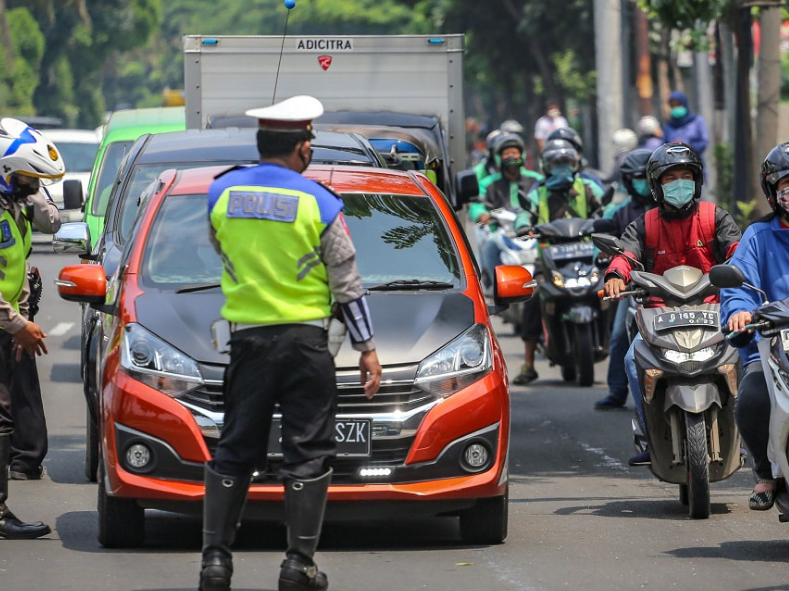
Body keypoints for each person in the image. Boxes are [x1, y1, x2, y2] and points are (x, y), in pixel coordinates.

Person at [201, 95, 383, 591]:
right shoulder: (320, 202)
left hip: (248, 344)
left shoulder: (221, 193)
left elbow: (220, 245)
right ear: (303, 147)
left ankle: (215, 561)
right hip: (306, 345)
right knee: (307, 453)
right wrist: (366, 347)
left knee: (235, 448)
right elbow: (347, 280)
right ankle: (297, 565)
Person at [603, 142, 741, 466]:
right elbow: (626, 254)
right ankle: (649, 435)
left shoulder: (714, 217)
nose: (679, 183)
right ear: (656, 185)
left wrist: (741, 270)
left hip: (712, 310)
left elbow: (737, 249)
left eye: (685, 175)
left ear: (697, 180)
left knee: (744, 356)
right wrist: (615, 275)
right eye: (670, 178)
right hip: (658, 312)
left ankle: (742, 435)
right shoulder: (645, 223)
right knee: (630, 361)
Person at [0, 117, 63, 539]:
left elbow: (13, 271)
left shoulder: (12, 208)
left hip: (5, 330)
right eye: (27, 177)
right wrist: (18, 323)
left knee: (4, 419)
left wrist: (21, 317)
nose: (33, 185)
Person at [720, 142, 789, 510]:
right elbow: (738, 287)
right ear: (773, 191)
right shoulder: (758, 236)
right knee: (751, 399)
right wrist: (740, 312)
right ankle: (765, 472)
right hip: (774, 348)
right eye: (787, 183)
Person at [510, 139, 602, 385]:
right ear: (546, 165)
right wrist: (523, 226)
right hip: (550, 258)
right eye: (556, 162)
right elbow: (523, 213)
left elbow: (607, 206)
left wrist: (608, 220)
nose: (562, 166)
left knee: (613, 288)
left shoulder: (587, 186)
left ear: (575, 163)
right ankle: (529, 364)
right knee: (532, 295)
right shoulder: (538, 191)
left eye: (566, 162)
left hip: (586, 254)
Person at [593, 149, 655, 410]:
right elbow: (612, 250)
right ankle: (617, 390)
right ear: (628, 181)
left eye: (646, 177)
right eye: (636, 177)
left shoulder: (668, 209)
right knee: (620, 336)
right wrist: (606, 262)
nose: (641, 182)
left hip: (677, 285)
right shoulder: (619, 213)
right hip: (634, 289)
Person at [9, 183, 61, 480]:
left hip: (15, 306)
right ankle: (23, 460)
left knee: (17, 379)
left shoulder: (19, 193)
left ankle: (23, 461)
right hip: (11, 311)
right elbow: (50, 220)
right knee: (17, 384)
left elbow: (50, 222)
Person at [469, 133, 543, 286]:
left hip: (531, 231)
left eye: (514, 152)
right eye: (506, 153)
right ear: (498, 157)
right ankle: (493, 283)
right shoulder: (488, 183)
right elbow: (476, 204)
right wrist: (481, 214)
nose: (511, 156)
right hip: (501, 231)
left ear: (521, 155)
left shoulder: (536, 179)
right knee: (489, 244)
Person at [662, 91, 709, 166]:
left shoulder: (697, 121)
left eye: (678, 104)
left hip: (695, 164)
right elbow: (663, 147)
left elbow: (704, 142)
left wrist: (689, 146)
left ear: (684, 104)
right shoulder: (668, 126)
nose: (676, 108)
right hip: (674, 166)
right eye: (673, 106)